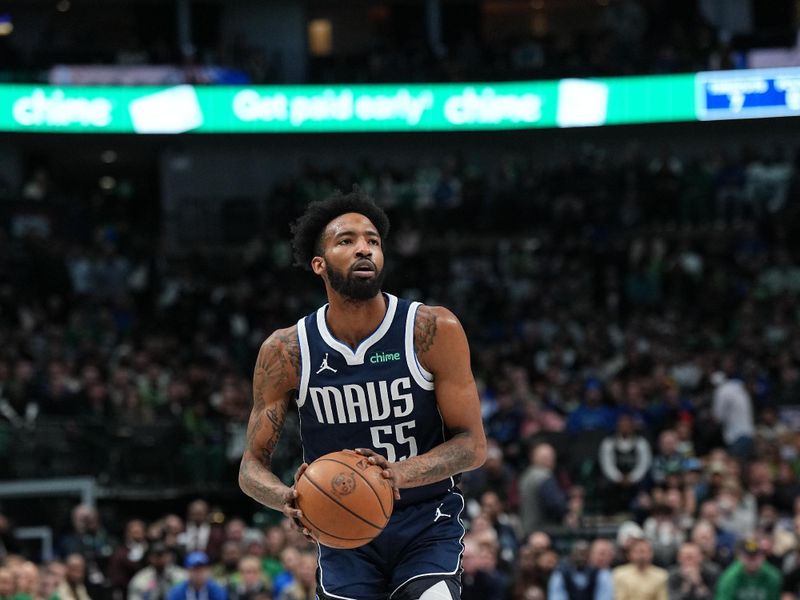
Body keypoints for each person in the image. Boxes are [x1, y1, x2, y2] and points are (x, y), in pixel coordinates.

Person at [238, 189, 487, 600]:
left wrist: (395, 475)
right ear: (319, 264)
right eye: (346, 241)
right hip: (341, 532)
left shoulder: (431, 330)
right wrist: (289, 498)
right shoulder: (287, 352)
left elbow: (472, 447)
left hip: (426, 521)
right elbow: (251, 468)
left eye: (373, 241)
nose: (364, 249)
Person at [714, 538, 781, 600]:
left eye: (755, 556)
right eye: (748, 556)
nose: (752, 561)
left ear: (763, 556)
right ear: (740, 557)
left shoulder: (772, 577)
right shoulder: (729, 577)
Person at [548, 540, 614, 600]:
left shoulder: (601, 573)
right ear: (572, 555)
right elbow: (556, 596)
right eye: (578, 553)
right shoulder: (561, 573)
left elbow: (604, 597)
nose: (581, 558)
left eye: (584, 554)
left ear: (589, 555)